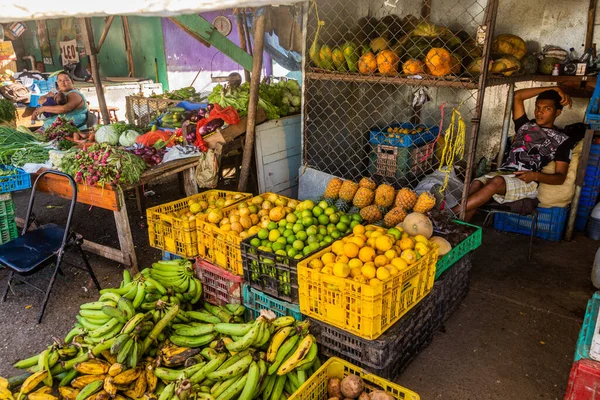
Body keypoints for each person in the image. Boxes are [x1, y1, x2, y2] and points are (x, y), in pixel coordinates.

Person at [453, 87, 574, 221]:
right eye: (538, 107)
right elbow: (517, 96)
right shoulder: (524, 126)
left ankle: (450, 213)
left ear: (557, 112)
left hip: (527, 181)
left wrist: (535, 175)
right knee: (476, 184)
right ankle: (460, 226)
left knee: (496, 181)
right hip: (504, 173)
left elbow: (560, 177)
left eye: (547, 109)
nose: (540, 112)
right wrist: (554, 88)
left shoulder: (562, 140)